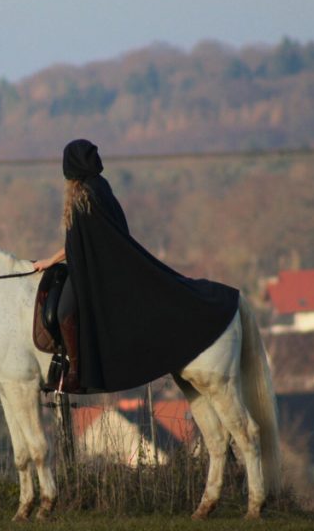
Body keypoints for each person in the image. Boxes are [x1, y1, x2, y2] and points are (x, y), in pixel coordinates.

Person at [34, 138, 239, 393]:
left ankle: (75, 373)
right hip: (93, 266)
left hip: (94, 272)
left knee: (65, 313)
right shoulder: (97, 188)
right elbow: (81, 243)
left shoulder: (87, 195)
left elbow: (82, 246)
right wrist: (51, 260)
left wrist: (53, 261)